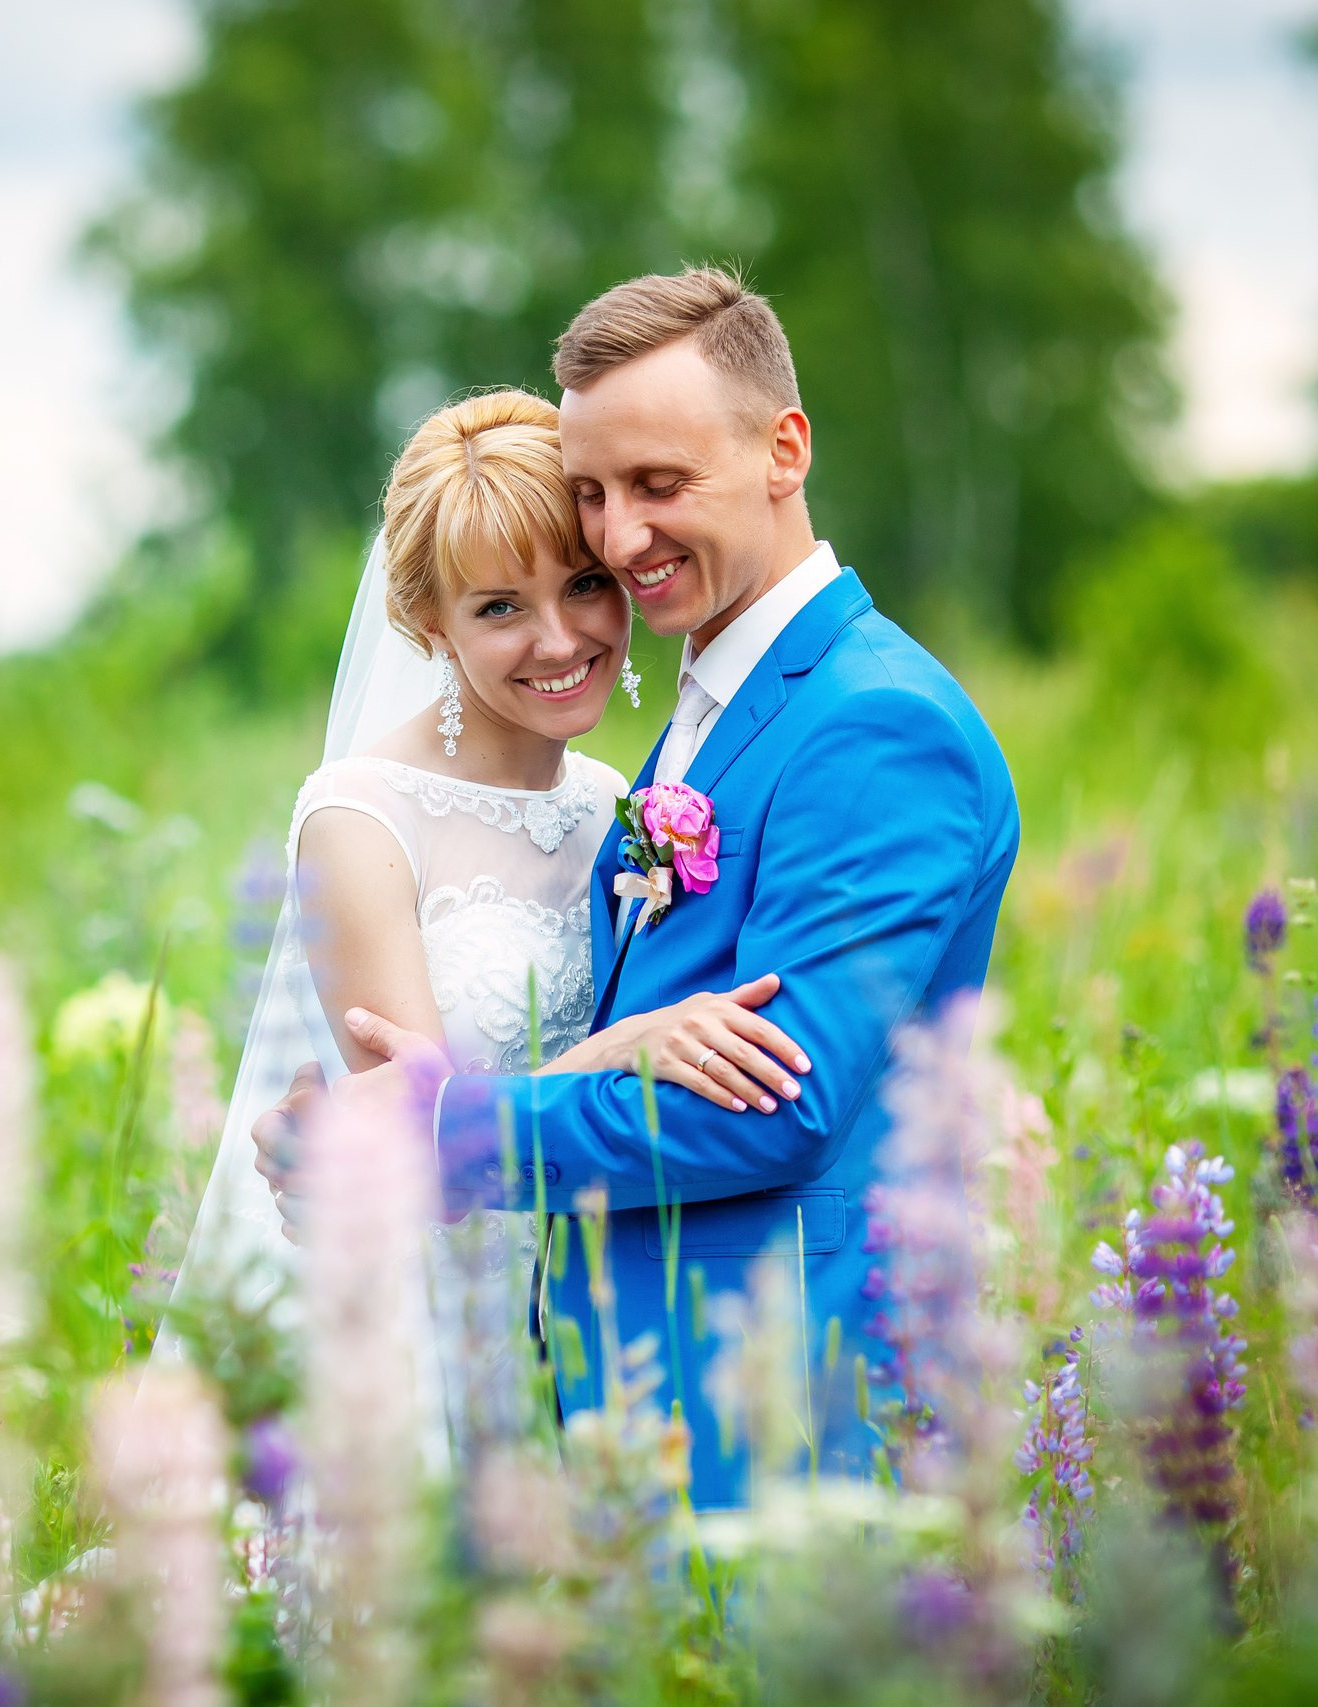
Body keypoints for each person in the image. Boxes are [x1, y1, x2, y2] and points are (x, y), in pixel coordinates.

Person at [276, 269, 1022, 1509]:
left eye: (659, 487)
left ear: (784, 449)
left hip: (782, 1391)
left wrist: (431, 1128)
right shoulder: (702, 714)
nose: (619, 542)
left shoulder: (875, 722)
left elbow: (773, 1108)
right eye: (593, 495)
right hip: (612, 1387)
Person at [171, 384, 806, 1464]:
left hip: (597, 1317)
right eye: (499, 607)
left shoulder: (619, 799)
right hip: (429, 1323)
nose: (559, 639)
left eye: (585, 585)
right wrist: (620, 1052)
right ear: (430, 623)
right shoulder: (359, 820)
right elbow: (412, 1149)